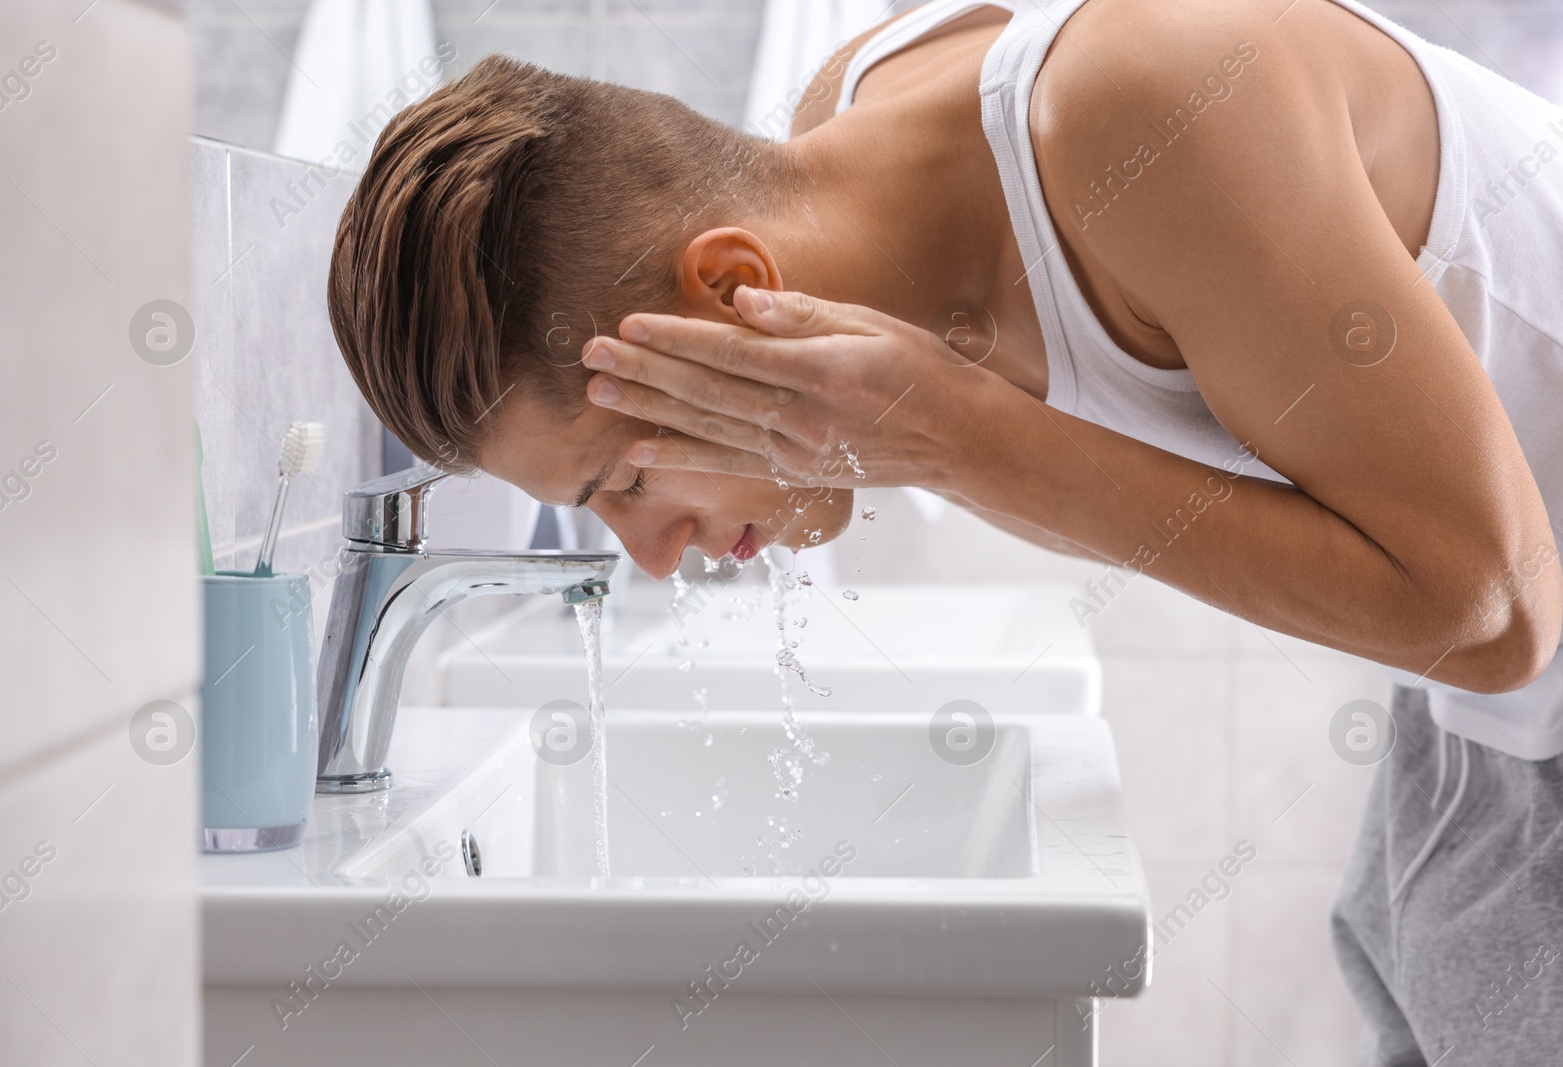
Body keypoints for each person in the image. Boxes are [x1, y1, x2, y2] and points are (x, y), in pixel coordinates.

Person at [327, 0, 1563, 1061]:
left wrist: (965, 436)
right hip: (1478, 699)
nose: (651, 553)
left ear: (730, 288)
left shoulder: (1149, 110)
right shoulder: (855, 129)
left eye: (619, 480)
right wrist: (945, 433)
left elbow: (1492, 612)